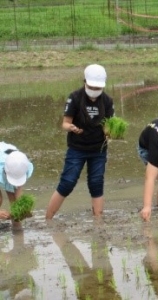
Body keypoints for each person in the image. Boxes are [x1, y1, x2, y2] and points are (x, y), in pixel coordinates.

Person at [45, 64, 114, 220]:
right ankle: (48, 219)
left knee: (96, 183)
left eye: (98, 87)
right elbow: (65, 123)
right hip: (77, 148)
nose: (95, 90)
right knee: (67, 182)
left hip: (98, 149)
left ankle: (98, 221)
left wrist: (110, 134)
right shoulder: (75, 97)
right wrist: (72, 127)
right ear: (85, 82)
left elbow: (108, 125)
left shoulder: (107, 101)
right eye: (92, 86)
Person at [0, 142, 34, 225]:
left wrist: (22, 209)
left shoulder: (21, 165)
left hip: (7, 157)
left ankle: (17, 228)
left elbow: (17, 192)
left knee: (15, 203)